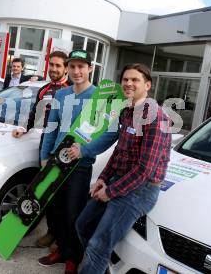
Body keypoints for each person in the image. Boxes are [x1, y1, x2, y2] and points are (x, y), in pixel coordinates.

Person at [71, 64, 172, 274]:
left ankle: (96, 260)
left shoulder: (156, 117)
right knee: (83, 224)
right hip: (118, 180)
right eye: (125, 79)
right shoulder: (127, 111)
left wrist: (111, 191)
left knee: (98, 245)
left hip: (140, 191)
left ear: (147, 85)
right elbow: (120, 151)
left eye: (135, 80)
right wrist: (104, 178)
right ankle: (99, 264)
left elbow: (145, 169)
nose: (128, 83)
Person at [37, 50, 115, 274]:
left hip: (79, 166)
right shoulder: (61, 95)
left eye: (82, 67)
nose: (76, 71)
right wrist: (45, 156)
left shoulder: (101, 96)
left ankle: (73, 257)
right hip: (55, 161)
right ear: (68, 69)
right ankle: (61, 250)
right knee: (57, 210)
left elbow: (111, 133)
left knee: (73, 213)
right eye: (72, 66)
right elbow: (51, 127)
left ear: (90, 68)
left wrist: (85, 150)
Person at [11, 50, 70, 248]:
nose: (54, 69)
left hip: (64, 145)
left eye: (58, 66)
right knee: (44, 187)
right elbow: (33, 115)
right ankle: (49, 229)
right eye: (51, 65)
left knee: (58, 192)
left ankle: (54, 233)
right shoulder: (44, 89)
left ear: (66, 68)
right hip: (46, 139)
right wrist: (24, 129)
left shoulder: (71, 89)